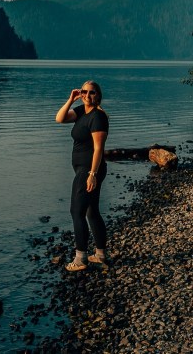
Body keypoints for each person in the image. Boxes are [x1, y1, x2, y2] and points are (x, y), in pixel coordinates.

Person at [54, 80, 109, 271]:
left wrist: (92, 174)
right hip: (82, 168)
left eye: (91, 92)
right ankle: (100, 255)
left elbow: (98, 149)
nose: (87, 95)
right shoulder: (80, 111)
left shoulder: (98, 117)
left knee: (76, 211)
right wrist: (70, 99)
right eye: (84, 92)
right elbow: (60, 119)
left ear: (98, 95)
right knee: (91, 210)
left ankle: (80, 259)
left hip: (89, 169)